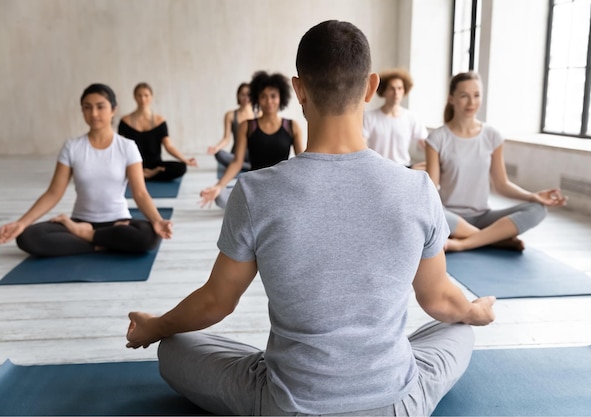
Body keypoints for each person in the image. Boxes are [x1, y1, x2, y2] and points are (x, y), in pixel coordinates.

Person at [126, 20, 495, 416]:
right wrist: (476, 311)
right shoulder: (418, 189)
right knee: (457, 328)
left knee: (174, 346)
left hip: (288, 404)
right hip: (395, 403)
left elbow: (217, 301)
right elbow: (438, 299)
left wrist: (156, 326)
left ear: (298, 90)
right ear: (371, 88)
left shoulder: (254, 192)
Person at [0, 83, 173, 257]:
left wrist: (157, 221)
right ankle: (103, 243)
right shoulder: (72, 147)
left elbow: (140, 193)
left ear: (113, 109)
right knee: (28, 237)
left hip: (118, 222)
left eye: (100, 107)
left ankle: (88, 237)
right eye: (87, 108)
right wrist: (21, 223)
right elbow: (53, 193)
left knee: (149, 236)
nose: (94, 113)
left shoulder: (127, 147)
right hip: (80, 221)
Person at [425, 71, 567, 252]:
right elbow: (431, 189)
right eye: (464, 96)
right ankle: (494, 239)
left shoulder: (492, 136)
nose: (471, 102)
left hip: (483, 216)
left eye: (476, 95)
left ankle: (464, 242)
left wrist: (533, 196)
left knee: (537, 209)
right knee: (429, 212)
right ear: (451, 99)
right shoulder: (437, 138)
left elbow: (501, 184)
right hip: (449, 217)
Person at [199, 71, 304, 208]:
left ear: (281, 98)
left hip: (281, 187)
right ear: (257, 99)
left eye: (273, 96)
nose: (268, 101)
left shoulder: (292, 126)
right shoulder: (247, 126)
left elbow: (302, 162)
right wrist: (218, 186)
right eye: (263, 97)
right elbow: (237, 162)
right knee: (220, 197)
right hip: (255, 187)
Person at [118, 82, 197, 182]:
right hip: (134, 164)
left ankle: (148, 174)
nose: (143, 99)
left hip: (155, 165)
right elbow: (119, 148)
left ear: (151, 97)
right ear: (134, 97)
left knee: (181, 167)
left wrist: (185, 160)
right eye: (139, 95)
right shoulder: (125, 121)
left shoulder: (160, 121)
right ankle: (143, 174)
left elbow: (169, 146)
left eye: (146, 95)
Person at [362, 68, 428, 169]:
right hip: (378, 168)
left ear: (404, 91)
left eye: (399, 88)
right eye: (392, 88)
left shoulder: (411, 117)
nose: (396, 93)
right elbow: (362, 146)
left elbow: (427, 145)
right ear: (384, 91)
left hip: (403, 168)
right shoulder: (369, 117)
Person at [206, 82, 259, 170]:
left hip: (254, 154)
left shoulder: (258, 114)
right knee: (219, 154)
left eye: (249, 95)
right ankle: (249, 167)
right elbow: (226, 138)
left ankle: (243, 166)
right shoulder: (230, 115)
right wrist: (216, 148)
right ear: (238, 96)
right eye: (243, 95)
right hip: (237, 154)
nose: (246, 98)